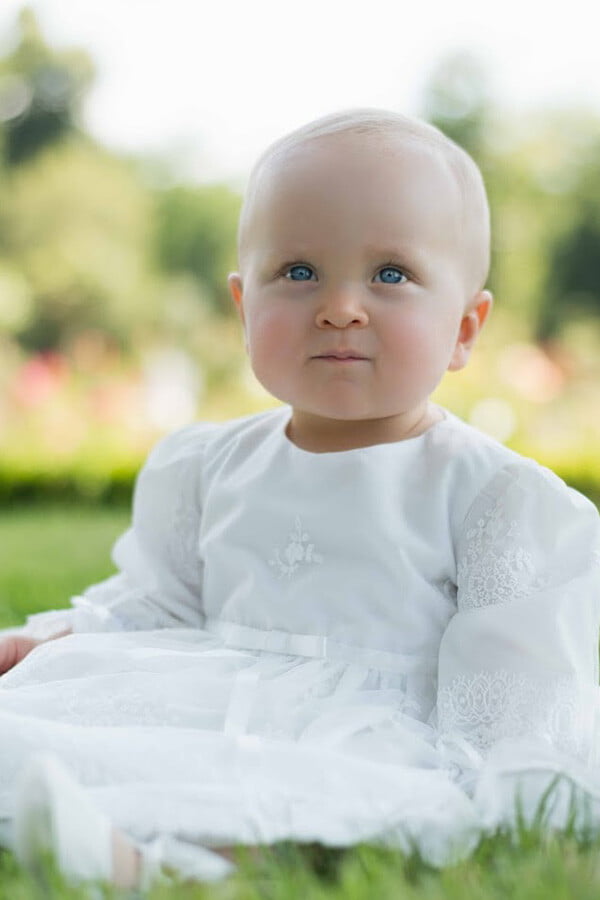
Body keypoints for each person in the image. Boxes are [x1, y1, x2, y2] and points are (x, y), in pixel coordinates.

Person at [1, 106, 600, 890]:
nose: (340, 305)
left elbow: (511, 689)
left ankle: (163, 863)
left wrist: (487, 782)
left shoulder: (493, 498)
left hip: (375, 725)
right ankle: (82, 816)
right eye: (298, 271)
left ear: (464, 327)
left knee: (324, 792)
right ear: (245, 305)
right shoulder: (212, 466)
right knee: (54, 728)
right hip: (206, 688)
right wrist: (55, 637)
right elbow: (161, 605)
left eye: (391, 274)